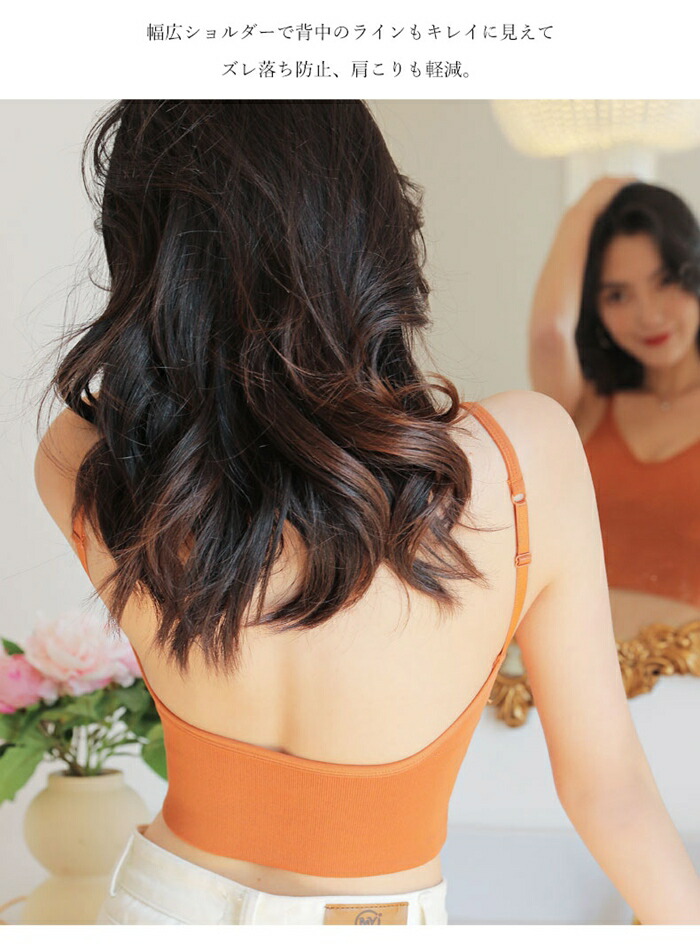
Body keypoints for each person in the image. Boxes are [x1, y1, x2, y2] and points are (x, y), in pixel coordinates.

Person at [34, 102, 700, 926]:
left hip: (157, 906)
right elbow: (610, 792)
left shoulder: (84, 459)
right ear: (372, 228)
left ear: (146, 255)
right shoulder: (522, 461)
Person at [529, 177, 700, 641]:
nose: (650, 315)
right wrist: (585, 206)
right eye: (618, 295)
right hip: (582, 676)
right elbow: (550, 333)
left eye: (666, 282)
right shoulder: (586, 408)